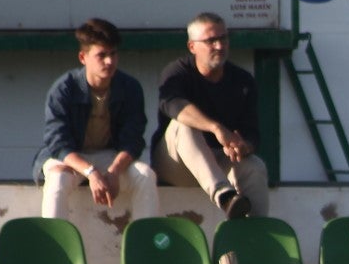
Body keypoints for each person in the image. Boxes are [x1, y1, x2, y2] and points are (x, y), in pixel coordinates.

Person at [33, 18, 159, 221]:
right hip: (71, 157)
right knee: (57, 179)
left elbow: (133, 139)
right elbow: (58, 143)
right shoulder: (64, 88)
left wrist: (114, 171)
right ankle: (54, 240)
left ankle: (146, 238)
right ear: (83, 57)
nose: (109, 61)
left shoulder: (130, 87)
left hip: (109, 157)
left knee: (145, 175)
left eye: (113, 54)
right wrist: (91, 173)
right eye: (101, 55)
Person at [152, 12, 268, 219]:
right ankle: (225, 196)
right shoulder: (177, 72)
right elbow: (172, 104)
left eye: (223, 38)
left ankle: (257, 234)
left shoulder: (242, 80)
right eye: (211, 41)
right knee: (182, 125)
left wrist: (243, 146)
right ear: (192, 47)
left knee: (255, 166)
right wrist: (216, 128)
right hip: (176, 165)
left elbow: (252, 133)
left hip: (218, 162)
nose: (219, 46)